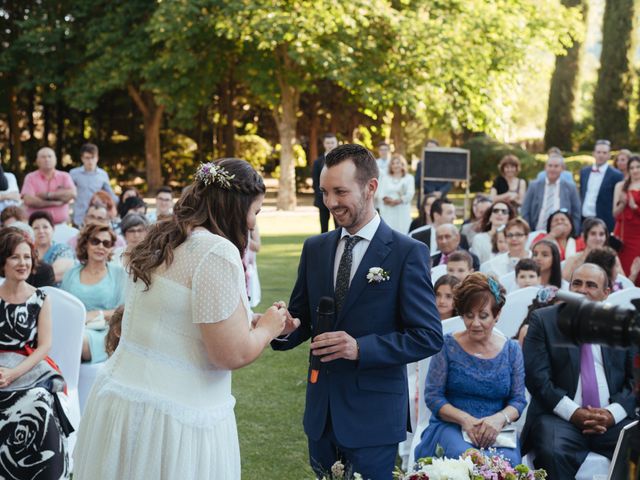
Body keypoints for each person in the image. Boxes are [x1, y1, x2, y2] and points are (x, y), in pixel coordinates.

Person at [73, 159, 288, 479]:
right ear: (233, 206)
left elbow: (179, 316)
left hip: (123, 399)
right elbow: (230, 353)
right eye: (254, 212)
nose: (253, 224)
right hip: (173, 418)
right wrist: (270, 327)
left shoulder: (162, 236)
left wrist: (246, 320)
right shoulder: (215, 252)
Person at [272, 144, 443, 480]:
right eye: (324, 192)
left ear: (371, 187)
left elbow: (427, 336)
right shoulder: (315, 248)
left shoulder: (407, 253)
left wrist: (360, 348)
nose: (330, 202)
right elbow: (303, 316)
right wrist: (286, 325)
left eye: (340, 191)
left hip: (374, 417)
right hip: (321, 414)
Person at [522, 263, 636, 479]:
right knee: (552, 451)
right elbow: (537, 379)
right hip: (558, 417)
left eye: (591, 285)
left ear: (605, 294)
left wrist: (612, 414)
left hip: (612, 420)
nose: (582, 290)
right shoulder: (543, 320)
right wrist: (574, 413)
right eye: (577, 283)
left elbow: (634, 381)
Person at [415, 273, 526, 465]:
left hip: (496, 429)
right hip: (451, 425)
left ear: (497, 314)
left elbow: (518, 401)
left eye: (483, 316)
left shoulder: (512, 350)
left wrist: (499, 419)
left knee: (505, 463)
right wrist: (465, 420)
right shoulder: (447, 346)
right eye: (468, 315)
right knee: (465, 458)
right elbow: (433, 396)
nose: (475, 323)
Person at [0, 228, 73, 479]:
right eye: (15, 257)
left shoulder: (40, 298)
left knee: (40, 398)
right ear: (3, 261)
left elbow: (44, 346)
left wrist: (13, 374)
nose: (22, 263)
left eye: (27, 257)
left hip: (28, 366)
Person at [60, 223, 127, 364]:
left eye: (106, 243)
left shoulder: (119, 274)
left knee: (75, 339)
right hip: (73, 327)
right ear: (86, 244)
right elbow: (63, 308)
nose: (100, 247)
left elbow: (125, 310)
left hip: (105, 332)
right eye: (95, 241)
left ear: (110, 249)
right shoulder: (71, 274)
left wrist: (98, 314)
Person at [521, 154, 581, 233]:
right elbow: (525, 210)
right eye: (550, 166)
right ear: (545, 167)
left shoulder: (570, 188)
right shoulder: (534, 186)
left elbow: (576, 213)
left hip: (562, 234)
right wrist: (528, 231)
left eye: (556, 166)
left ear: (562, 169)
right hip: (536, 231)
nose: (552, 169)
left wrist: (574, 233)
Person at [21, 147, 77, 225]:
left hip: (61, 224)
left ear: (55, 160)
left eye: (50, 156)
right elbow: (28, 200)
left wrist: (47, 195)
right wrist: (55, 202)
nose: (47, 159)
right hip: (37, 226)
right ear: (37, 161)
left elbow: (72, 194)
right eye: (43, 157)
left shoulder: (65, 176)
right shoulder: (30, 177)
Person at [70, 143, 118, 227]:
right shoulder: (74, 173)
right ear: (82, 158)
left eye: (93, 158)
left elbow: (110, 195)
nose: (90, 161)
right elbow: (68, 194)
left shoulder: (102, 174)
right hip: (79, 217)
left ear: (97, 158)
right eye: (87, 158)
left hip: (97, 217)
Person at [580, 139, 624, 232]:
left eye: (604, 153)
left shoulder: (616, 175)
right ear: (594, 153)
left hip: (604, 221)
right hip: (584, 219)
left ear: (609, 155)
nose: (601, 155)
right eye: (598, 152)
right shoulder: (584, 172)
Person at [29, 211, 75, 284]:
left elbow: (56, 273)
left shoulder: (62, 249)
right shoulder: (28, 251)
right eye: (36, 228)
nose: (41, 231)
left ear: (53, 229)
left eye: (45, 227)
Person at [613, 155, 640, 276]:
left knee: (636, 265)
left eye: (638, 167)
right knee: (621, 265)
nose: (635, 170)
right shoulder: (620, 186)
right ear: (628, 170)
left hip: (638, 234)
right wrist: (622, 204)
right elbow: (614, 213)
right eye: (632, 168)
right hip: (623, 234)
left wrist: (635, 207)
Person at [376, 154, 415, 233]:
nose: (395, 165)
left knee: (402, 233)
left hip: (402, 210)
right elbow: (380, 193)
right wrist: (387, 200)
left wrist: (397, 201)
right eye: (393, 163)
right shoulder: (385, 178)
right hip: (388, 210)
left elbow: (410, 194)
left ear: (402, 164)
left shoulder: (409, 178)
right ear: (390, 166)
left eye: (398, 163)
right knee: (387, 231)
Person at [312, 133, 339, 233]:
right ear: (324, 144)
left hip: (339, 199)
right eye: (328, 143)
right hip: (322, 199)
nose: (330, 145)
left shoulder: (343, 161)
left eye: (332, 143)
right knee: (324, 227)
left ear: (336, 144)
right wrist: (323, 196)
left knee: (339, 226)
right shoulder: (317, 162)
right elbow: (315, 182)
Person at [415, 139, 452, 208]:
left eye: (433, 149)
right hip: (425, 200)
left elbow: (449, 183)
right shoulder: (420, 164)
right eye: (429, 149)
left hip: (441, 201)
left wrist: (440, 192)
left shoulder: (444, 165)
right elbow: (417, 182)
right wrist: (432, 192)